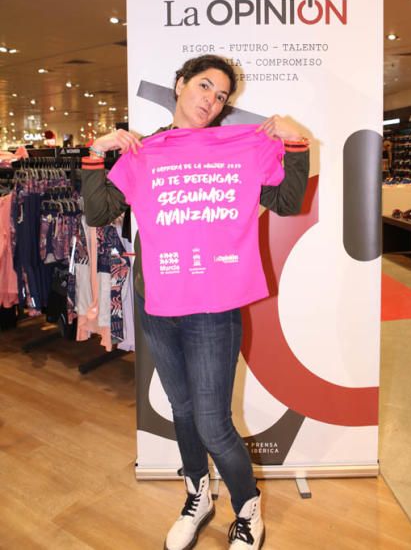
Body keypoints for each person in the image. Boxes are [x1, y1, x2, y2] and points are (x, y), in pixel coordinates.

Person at [81, 55, 309, 550]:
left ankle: (247, 507)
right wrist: (98, 151)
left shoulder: (239, 149)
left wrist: (296, 143)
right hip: (156, 299)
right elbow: (99, 212)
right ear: (180, 85)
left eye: (221, 94)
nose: (211, 99)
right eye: (204, 85)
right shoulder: (144, 151)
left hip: (212, 304)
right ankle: (197, 494)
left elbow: (289, 201)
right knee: (182, 408)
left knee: (211, 419)